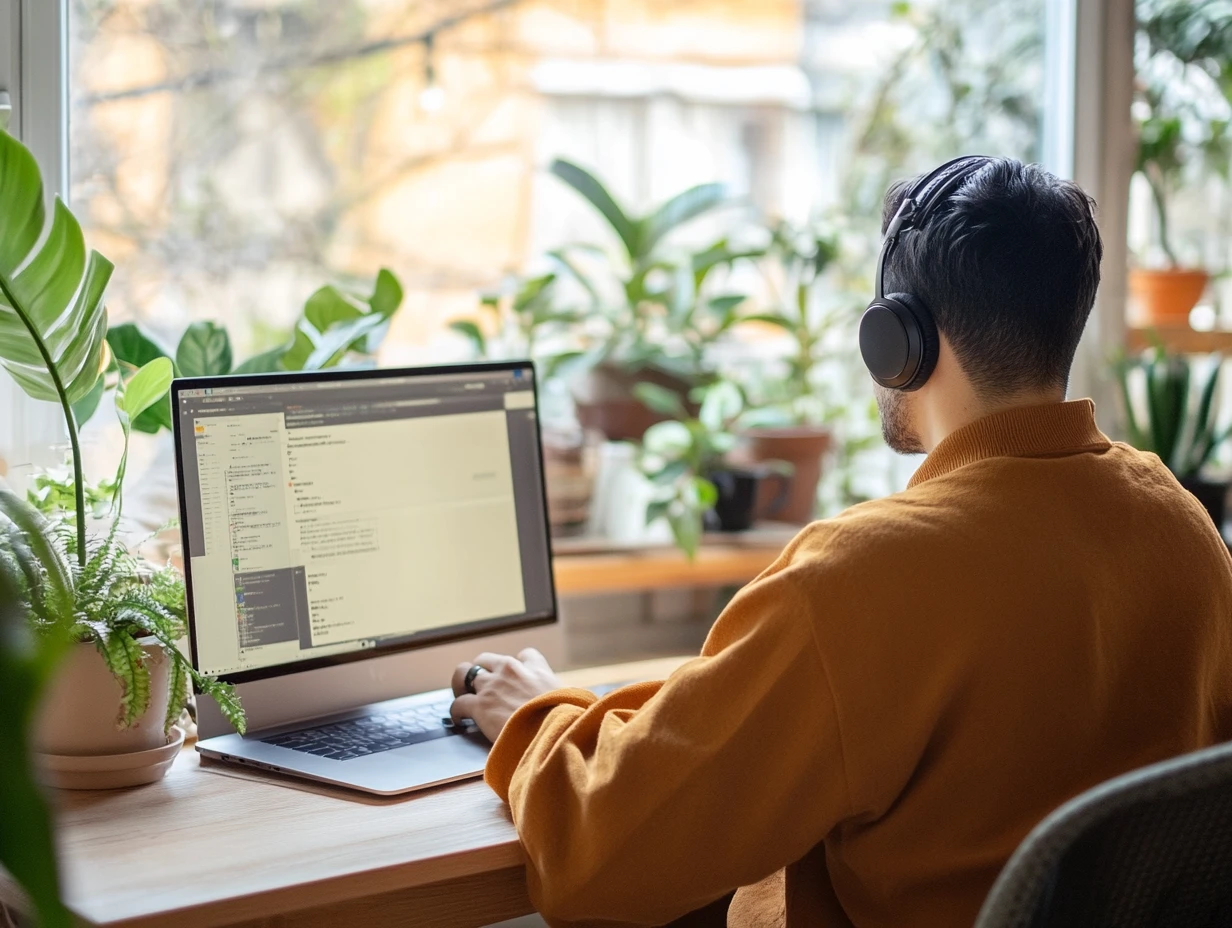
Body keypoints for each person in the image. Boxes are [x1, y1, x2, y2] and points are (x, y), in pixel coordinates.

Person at [447, 157, 1232, 928]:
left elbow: (600, 859)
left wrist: (538, 711)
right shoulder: (1182, 528)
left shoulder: (863, 577)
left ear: (896, 341)